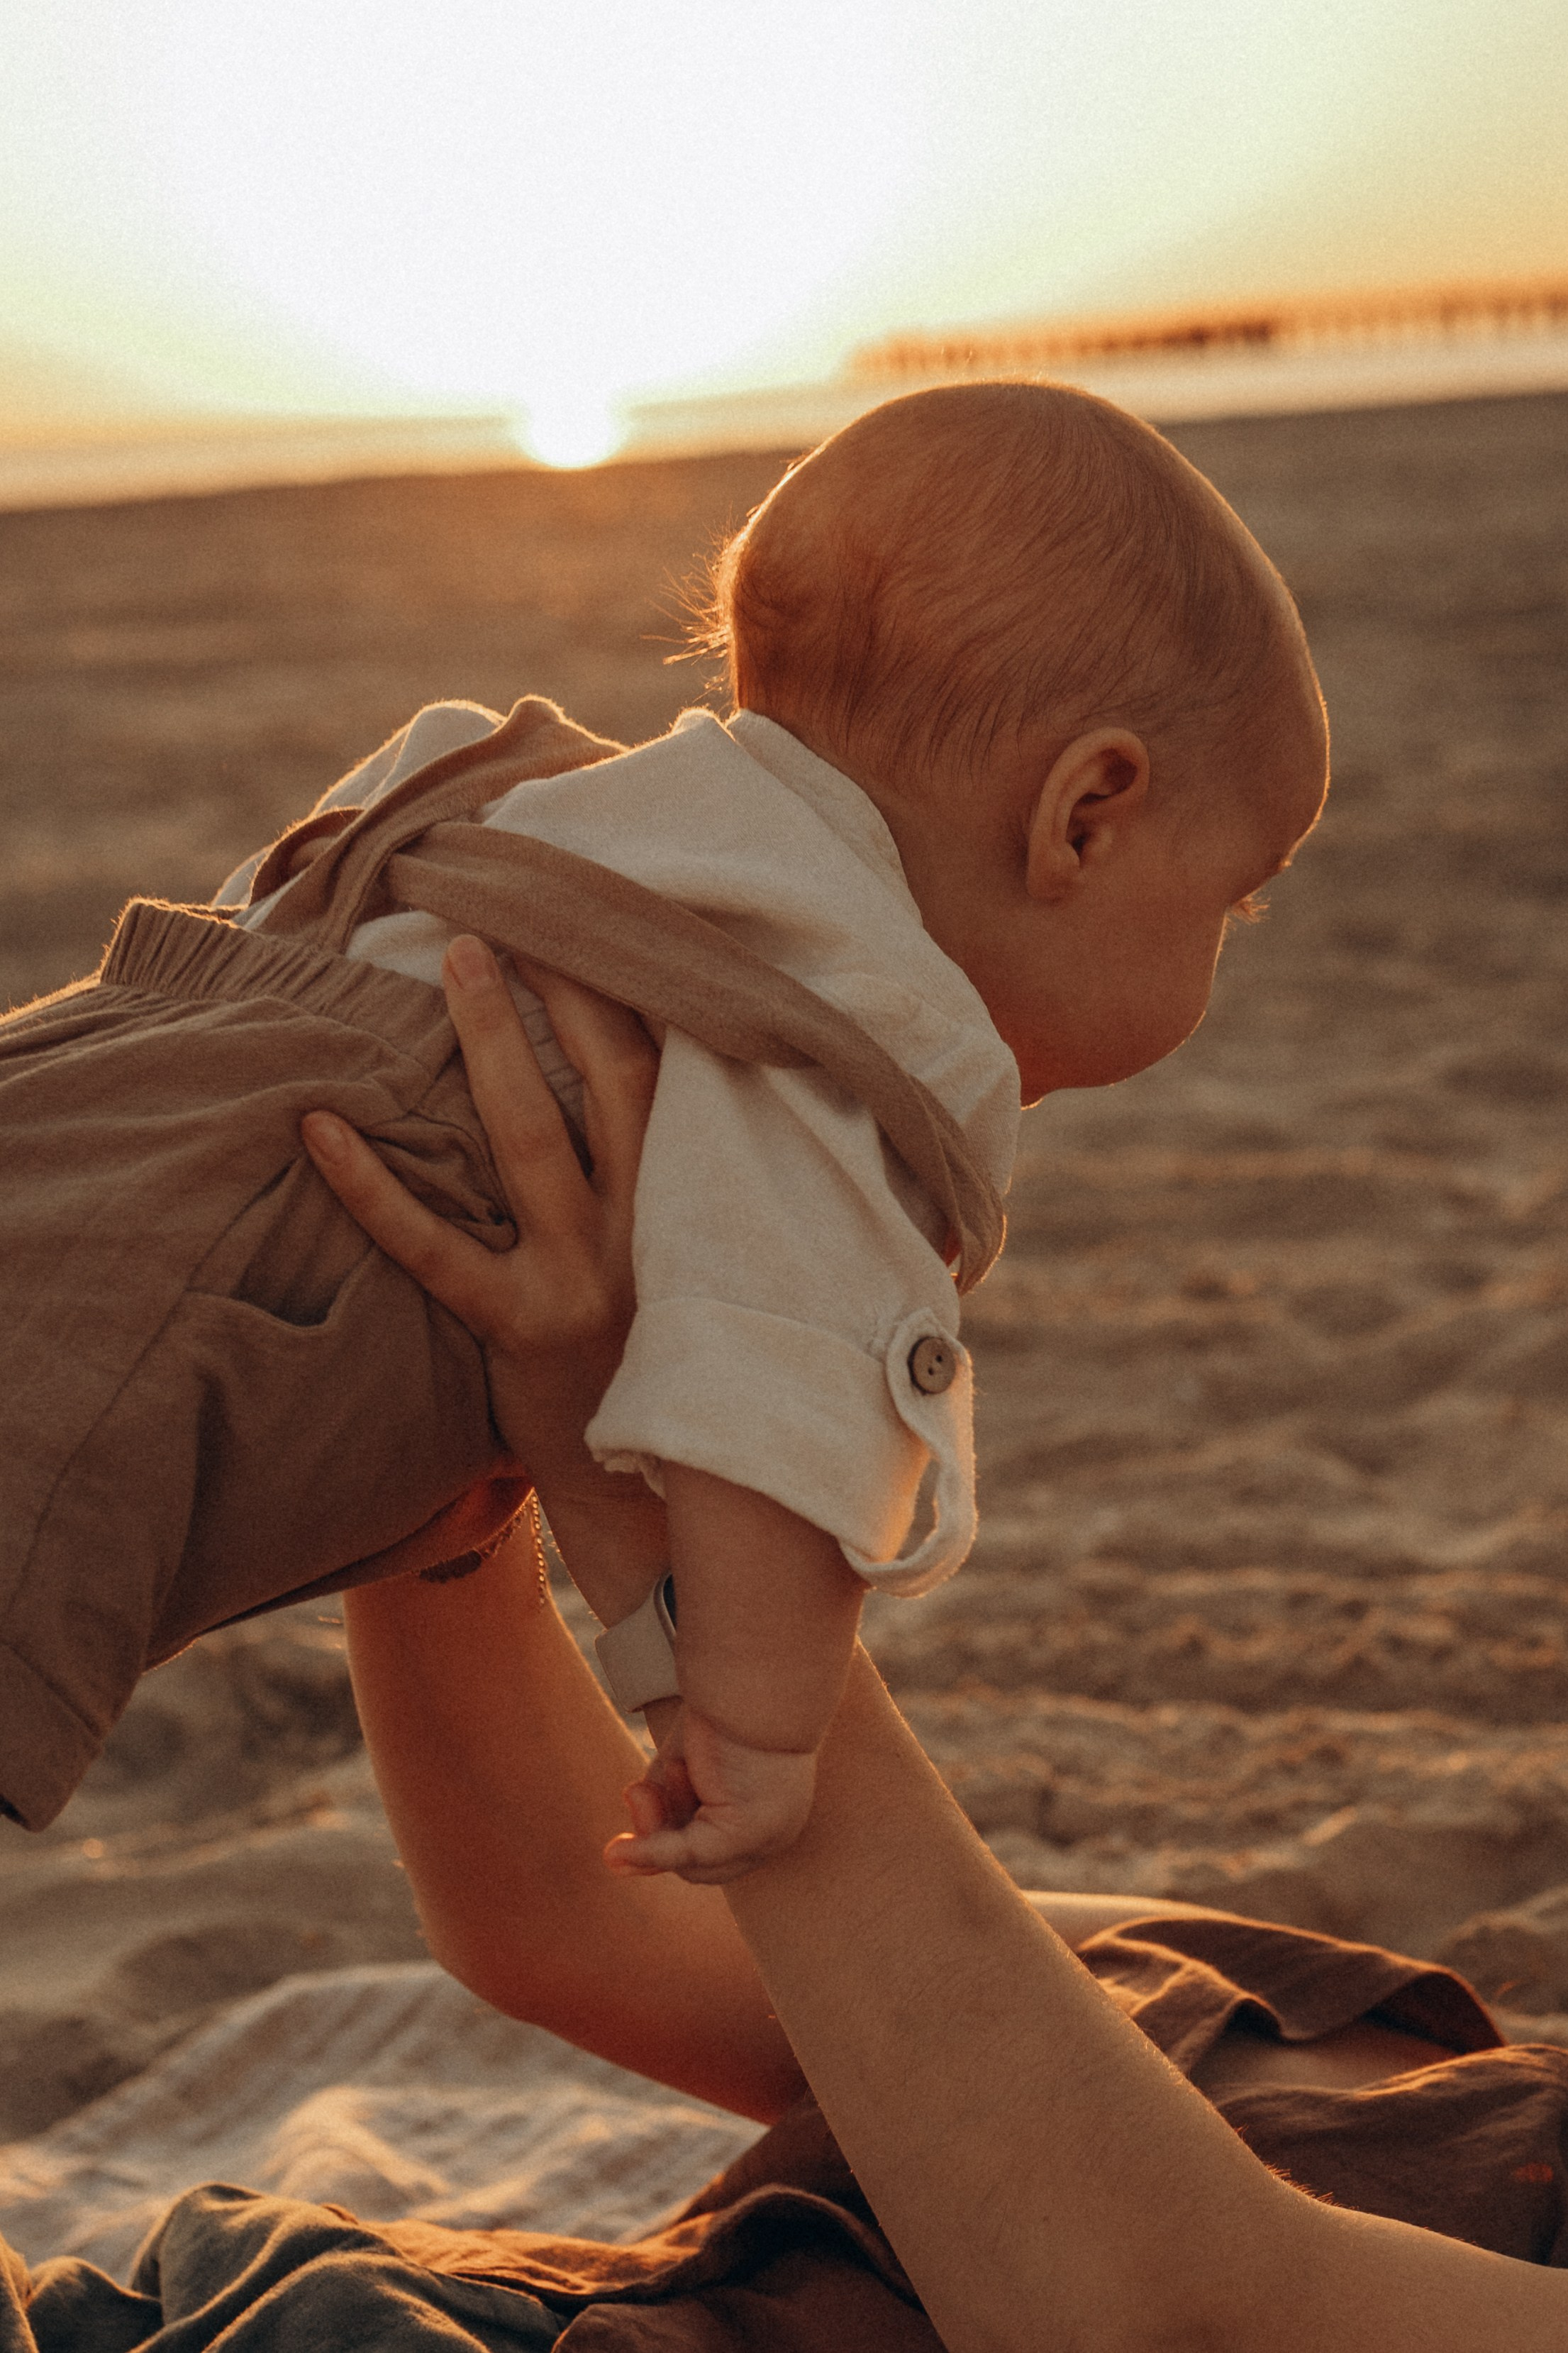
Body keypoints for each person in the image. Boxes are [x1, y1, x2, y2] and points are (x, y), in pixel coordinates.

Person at [3, 960, 1561, 2353]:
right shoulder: (1362, 2018)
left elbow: (1143, 2310)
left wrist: (638, 1471)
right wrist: (472, 1390)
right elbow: (570, 1906)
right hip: (252, 2297)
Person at [0, 381, 1327, 1877]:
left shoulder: (540, 804)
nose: (1227, 942)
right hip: (121, 1355)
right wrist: (750, 1726)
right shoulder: (842, 1027)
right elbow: (771, 1411)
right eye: (1235, 896)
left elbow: (300, 906)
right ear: (1083, 815)